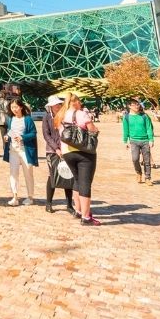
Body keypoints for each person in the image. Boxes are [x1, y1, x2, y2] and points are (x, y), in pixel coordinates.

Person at [57, 93, 101, 225]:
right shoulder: (81, 114)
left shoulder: (60, 115)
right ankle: (86, 217)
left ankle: (79, 210)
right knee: (85, 183)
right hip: (84, 151)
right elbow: (92, 130)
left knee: (77, 180)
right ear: (75, 102)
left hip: (67, 152)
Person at [42, 95, 76, 216]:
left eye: (59, 104)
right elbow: (46, 135)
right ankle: (49, 203)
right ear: (50, 106)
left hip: (67, 149)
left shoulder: (66, 116)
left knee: (68, 175)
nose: (58, 106)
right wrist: (56, 148)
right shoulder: (46, 117)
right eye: (55, 105)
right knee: (53, 175)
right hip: (52, 151)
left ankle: (69, 204)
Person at [6, 100, 38, 205]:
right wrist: (7, 136)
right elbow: (10, 131)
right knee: (13, 173)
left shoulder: (27, 119)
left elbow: (33, 133)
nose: (14, 109)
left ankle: (30, 197)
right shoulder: (11, 119)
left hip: (25, 150)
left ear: (21, 107)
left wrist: (22, 137)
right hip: (13, 150)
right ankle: (15, 197)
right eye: (12, 107)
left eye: (16, 107)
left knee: (28, 173)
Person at [122, 99, 154, 184]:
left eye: (138, 104)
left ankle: (148, 178)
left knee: (147, 160)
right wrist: (125, 141)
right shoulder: (126, 117)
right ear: (129, 106)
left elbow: (149, 128)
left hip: (145, 141)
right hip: (133, 141)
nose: (137, 106)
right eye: (134, 105)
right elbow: (125, 130)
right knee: (135, 159)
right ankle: (138, 172)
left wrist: (151, 139)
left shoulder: (144, 116)